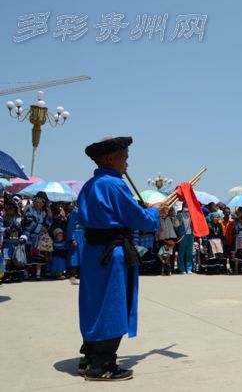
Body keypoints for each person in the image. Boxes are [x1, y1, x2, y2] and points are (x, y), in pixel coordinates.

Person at [77, 137, 168, 381]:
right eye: (124, 158)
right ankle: (102, 365)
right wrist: (154, 212)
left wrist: (144, 210)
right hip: (112, 252)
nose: (127, 164)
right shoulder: (114, 185)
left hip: (93, 252)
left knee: (92, 303)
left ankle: (89, 356)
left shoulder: (90, 184)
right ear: (109, 159)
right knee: (112, 305)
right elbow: (137, 219)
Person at [66, 204, 84, 285]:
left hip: (84, 236)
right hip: (76, 235)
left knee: (83, 256)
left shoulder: (87, 211)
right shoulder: (74, 213)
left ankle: (82, 275)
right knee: (75, 256)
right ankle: (72, 275)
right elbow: (70, 227)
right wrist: (72, 238)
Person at [176, 203, 195, 274]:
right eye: (185, 206)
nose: (187, 207)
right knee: (181, 252)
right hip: (182, 235)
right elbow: (176, 225)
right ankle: (181, 268)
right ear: (183, 207)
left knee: (189, 252)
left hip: (190, 235)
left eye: (188, 206)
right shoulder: (179, 215)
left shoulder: (191, 215)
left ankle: (189, 268)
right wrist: (179, 222)